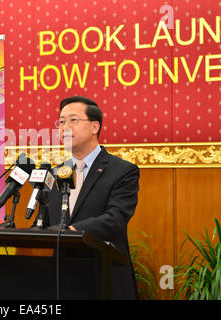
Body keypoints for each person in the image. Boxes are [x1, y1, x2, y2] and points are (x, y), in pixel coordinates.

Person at [48, 95, 140, 300]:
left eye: (73, 120)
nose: (65, 127)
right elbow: (46, 222)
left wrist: (73, 232)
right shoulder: (55, 173)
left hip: (104, 279)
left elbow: (116, 217)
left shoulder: (122, 171)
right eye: (61, 122)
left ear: (94, 126)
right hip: (61, 282)